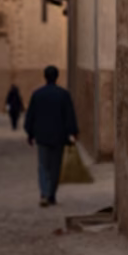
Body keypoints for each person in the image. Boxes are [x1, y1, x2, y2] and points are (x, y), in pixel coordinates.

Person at [24, 66, 78, 207]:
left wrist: (30, 133)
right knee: (55, 167)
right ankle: (51, 194)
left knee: (43, 166)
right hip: (58, 137)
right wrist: (72, 133)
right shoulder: (63, 94)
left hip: (42, 136)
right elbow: (69, 116)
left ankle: (44, 193)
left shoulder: (37, 94)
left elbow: (31, 116)